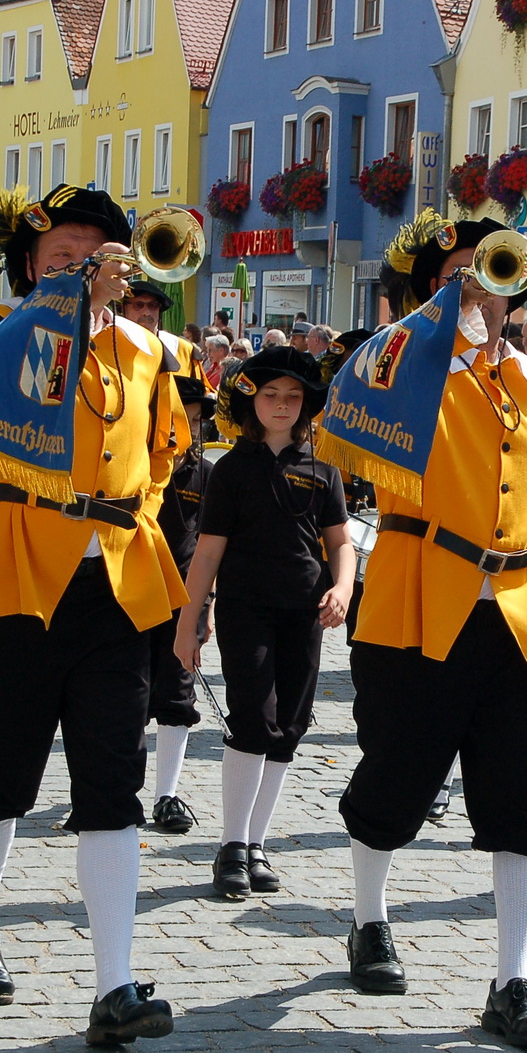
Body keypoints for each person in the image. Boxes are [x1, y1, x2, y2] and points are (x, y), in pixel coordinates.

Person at [337, 212, 527, 1048]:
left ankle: (513, 977)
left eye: (488, 272)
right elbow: (347, 430)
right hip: (417, 604)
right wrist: (423, 332)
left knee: (522, 797)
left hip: (522, 616)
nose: (474, 288)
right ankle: (368, 916)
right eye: (456, 275)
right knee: (397, 777)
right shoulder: (396, 370)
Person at [0, 183, 191, 1048]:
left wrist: (134, 516)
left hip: (112, 588)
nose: (84, 267)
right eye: (62, 257)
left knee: (111, 783)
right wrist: (65, 307)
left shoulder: (148, 350)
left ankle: (114, 982)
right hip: (16, 578)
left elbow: (163, 455)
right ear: (29, 269)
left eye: (97, 256)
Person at [175, 348, 354, 897]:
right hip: (245, 608)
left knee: (289, 729)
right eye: (271, 394)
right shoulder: (229, 469)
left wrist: (343, 587)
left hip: (305, 612)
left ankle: (256, 843)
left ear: (306, 407)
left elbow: (341, 542)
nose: (282, 405)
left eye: (293, 396)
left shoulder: (323, 471)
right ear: (253, 401)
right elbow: (206, 553)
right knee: (253, 718)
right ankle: (230, 845)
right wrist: (189, 621)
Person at [147, 375, 213, 835]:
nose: (185, 432)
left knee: (177, 693)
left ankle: (166, 794)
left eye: (193, 422)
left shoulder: (206, 475)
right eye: (176, 420)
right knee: (122, 693)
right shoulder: (139, 464)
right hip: (130, 589)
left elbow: (212, 548)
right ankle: (114, 786)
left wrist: (204, 609)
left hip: (181, 599)